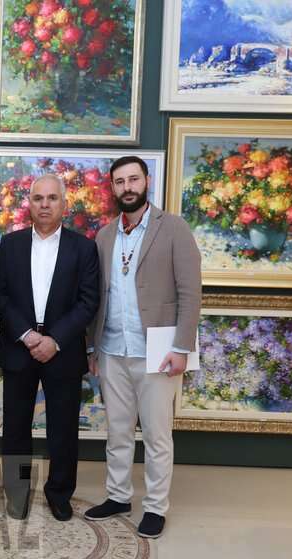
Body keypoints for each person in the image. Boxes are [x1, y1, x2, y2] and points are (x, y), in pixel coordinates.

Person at [84, 156, 202, 538]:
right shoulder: (105, 236)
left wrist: (182, 347)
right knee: (117, 431)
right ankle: (118, 496)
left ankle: (155, 507)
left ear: (147, 181)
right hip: (111, 350)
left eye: (133, 179)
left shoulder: (174, 228)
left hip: (158, 351)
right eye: (120, 182)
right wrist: (92, 349)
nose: (127, 187)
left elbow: (191, 292)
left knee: (156, 434)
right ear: (112, 188)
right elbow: (97, 298)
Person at [0, 174, 99, 521]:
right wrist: (26, 335)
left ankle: (59, 493)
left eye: (52, 198)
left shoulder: (83, 248)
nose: (45, 205)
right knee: (16, 428)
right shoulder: (11, 244)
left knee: (63, 429)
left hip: (62, 350)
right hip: (19, 347)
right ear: (30, 204)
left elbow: (88, 301)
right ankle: (17, 493)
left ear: (64, 204)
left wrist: (54, 340)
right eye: (38, 198)